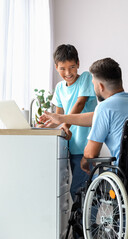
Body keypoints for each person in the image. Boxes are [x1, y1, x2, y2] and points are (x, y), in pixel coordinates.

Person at [40, 57, 128, 173]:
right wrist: (60, 118)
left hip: (127, 174)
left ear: (101, 86)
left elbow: (90, 153)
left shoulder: (104, 108)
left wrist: (84, 162)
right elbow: (95, 117)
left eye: (93, 84)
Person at [50, 44, 97, 200]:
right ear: (56, 67)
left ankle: (86, 224)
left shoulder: (85, 78)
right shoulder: (59, 88)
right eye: (63, 68)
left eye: (71, 67)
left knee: (80, 189)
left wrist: (65, 125)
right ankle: (82, 223)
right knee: (78, 190)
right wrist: (43, 125)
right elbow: (58, 115)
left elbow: (80, 103)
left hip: (86, 146)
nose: (68, 73)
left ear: (78, 63)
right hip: (69, 145)